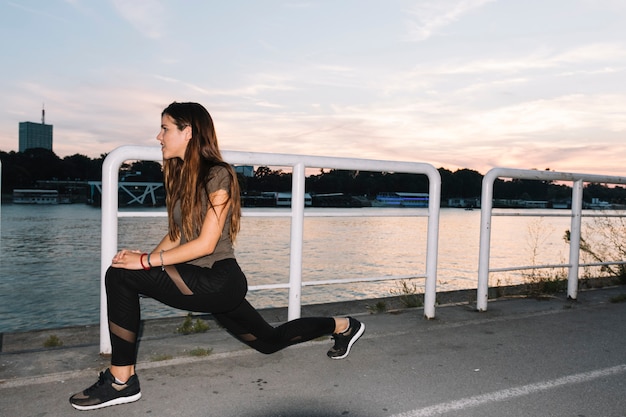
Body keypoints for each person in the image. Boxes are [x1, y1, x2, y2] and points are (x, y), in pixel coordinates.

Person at [69, 102, 365, 411]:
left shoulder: (218, 174)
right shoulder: (183, 174)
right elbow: (177, 235)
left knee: (119, 276)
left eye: (165, 128)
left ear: (188, 132)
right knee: (269, 342)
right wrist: (145, 262)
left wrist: (143, 264)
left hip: (218, 280)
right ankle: (344, 325)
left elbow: (206, 244)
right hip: (201, 280)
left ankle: (121, 381)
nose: (159, 136)